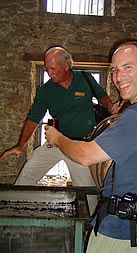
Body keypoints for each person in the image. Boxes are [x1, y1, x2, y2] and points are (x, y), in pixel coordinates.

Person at [44, 40, 137, 253]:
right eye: (115, 70)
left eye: (128, 67)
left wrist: (57, 138)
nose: (119, 77)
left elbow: (86, 156)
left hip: (120, 232)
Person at [1, 46, 122, 215]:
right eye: (46, 69)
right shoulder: (45, 91)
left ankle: (91, 227)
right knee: (27, 174)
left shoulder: (85, 78)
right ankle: (10, 213)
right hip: (55, 144)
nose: (49, 73)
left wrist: (111, 106)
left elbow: (102, 96)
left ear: (66, 66)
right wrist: (20, 146)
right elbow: (33, 119)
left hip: (80, 146)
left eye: (52, 68)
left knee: (89, 193)